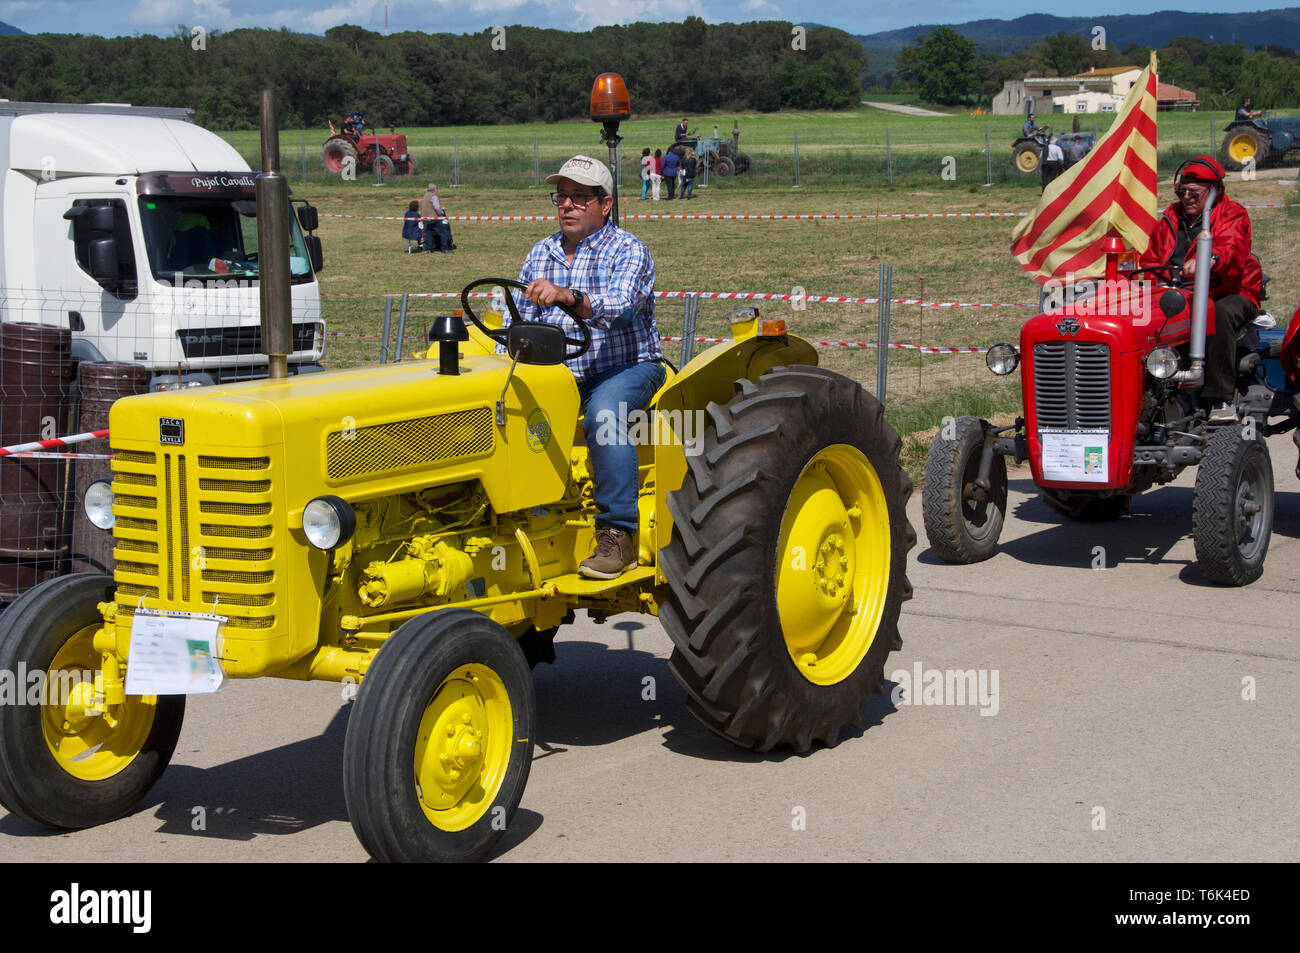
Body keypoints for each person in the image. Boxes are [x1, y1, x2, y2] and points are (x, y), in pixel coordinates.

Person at [509, 155, 665, 578]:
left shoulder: (629, 250)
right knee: (504, 406)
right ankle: (521, 517)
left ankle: (618, 534)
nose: (567, 206)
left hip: (626, 367)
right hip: (560, 373)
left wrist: (568, 297)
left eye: (580, 198)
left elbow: (620, 308)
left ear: (606, 204)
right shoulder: (540, 252)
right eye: (562, 197)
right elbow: (515, 321)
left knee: (605, 413)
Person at [1139, 156, 1258, 423]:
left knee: (1217, 312)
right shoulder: (1169, 218)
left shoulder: (1233, 214)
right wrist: (1150, 280)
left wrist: (1210, 259)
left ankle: (1219, 398)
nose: (1187, 198)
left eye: (1195, 193)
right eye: (1183, 192)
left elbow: (1232, 247)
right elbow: (1150, 260)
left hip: (1228, 291)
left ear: (1214, 191)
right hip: (1177, 293)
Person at [419, 182, 455, 252]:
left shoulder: (425, 195)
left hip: (425, 218)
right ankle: (445, 248)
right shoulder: (434, 196)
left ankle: (429, 249)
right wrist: (440, 214)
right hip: (434, 218)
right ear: (434, 189)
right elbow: (437, 207)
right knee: (443, 232)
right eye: (436, 189)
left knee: (428, 234)